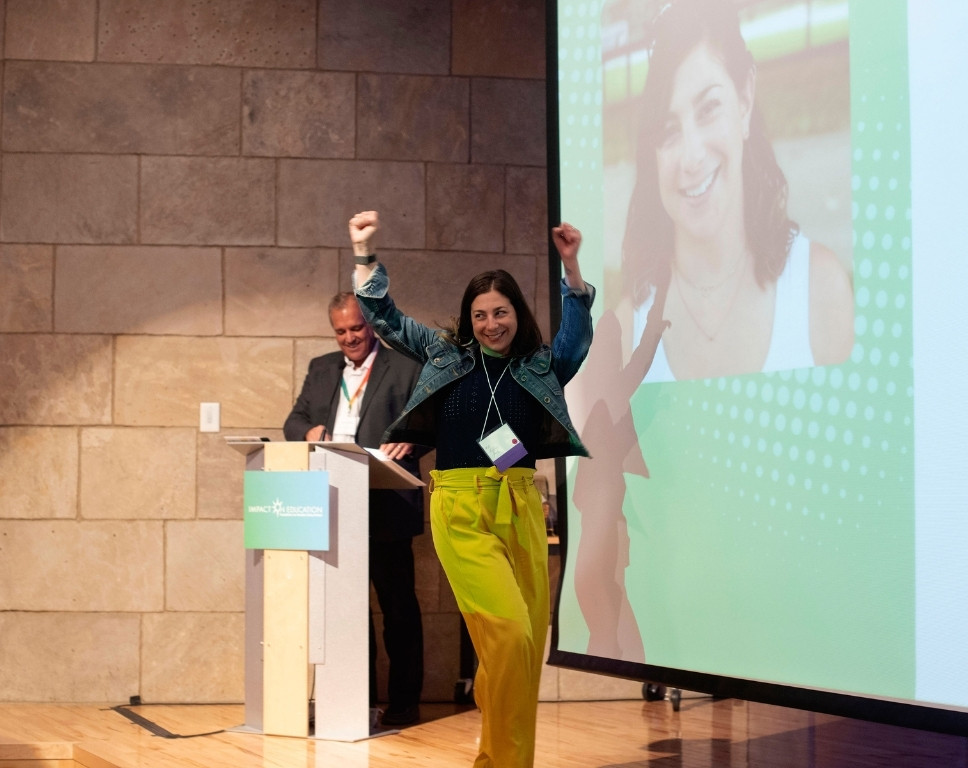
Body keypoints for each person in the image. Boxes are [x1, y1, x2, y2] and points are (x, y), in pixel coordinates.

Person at [349, 209, 594, 768]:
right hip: (460, 508)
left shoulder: (537, 365)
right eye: (480, 314)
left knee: (522, 650)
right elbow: (385, 319)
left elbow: (575, 342)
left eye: (501, 312)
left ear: (517, 314)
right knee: (509, 635)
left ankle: (500, 745)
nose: (491, 324)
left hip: (520, 504)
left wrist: (571, 268)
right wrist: (364, 254)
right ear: (469, 318)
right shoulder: (445, 356)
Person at [617, 0, 854, 381]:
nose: (692, 157)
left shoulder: (820, 291)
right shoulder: (625, 330)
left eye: (709, 108)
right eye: (669, 128)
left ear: (744, 101)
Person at [283, 291, 425, 727]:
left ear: (372, 327)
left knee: (398, 611)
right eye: (341, 331)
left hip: (386, 503)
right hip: (334, 506)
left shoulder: (403, 366)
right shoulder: (322, 368)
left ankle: (403, 704)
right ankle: (357, 701)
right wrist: (309, 432)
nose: (349, 338)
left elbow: (430, 420)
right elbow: (293, 421)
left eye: (356, 328)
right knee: (347, 613)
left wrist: (413, 439)